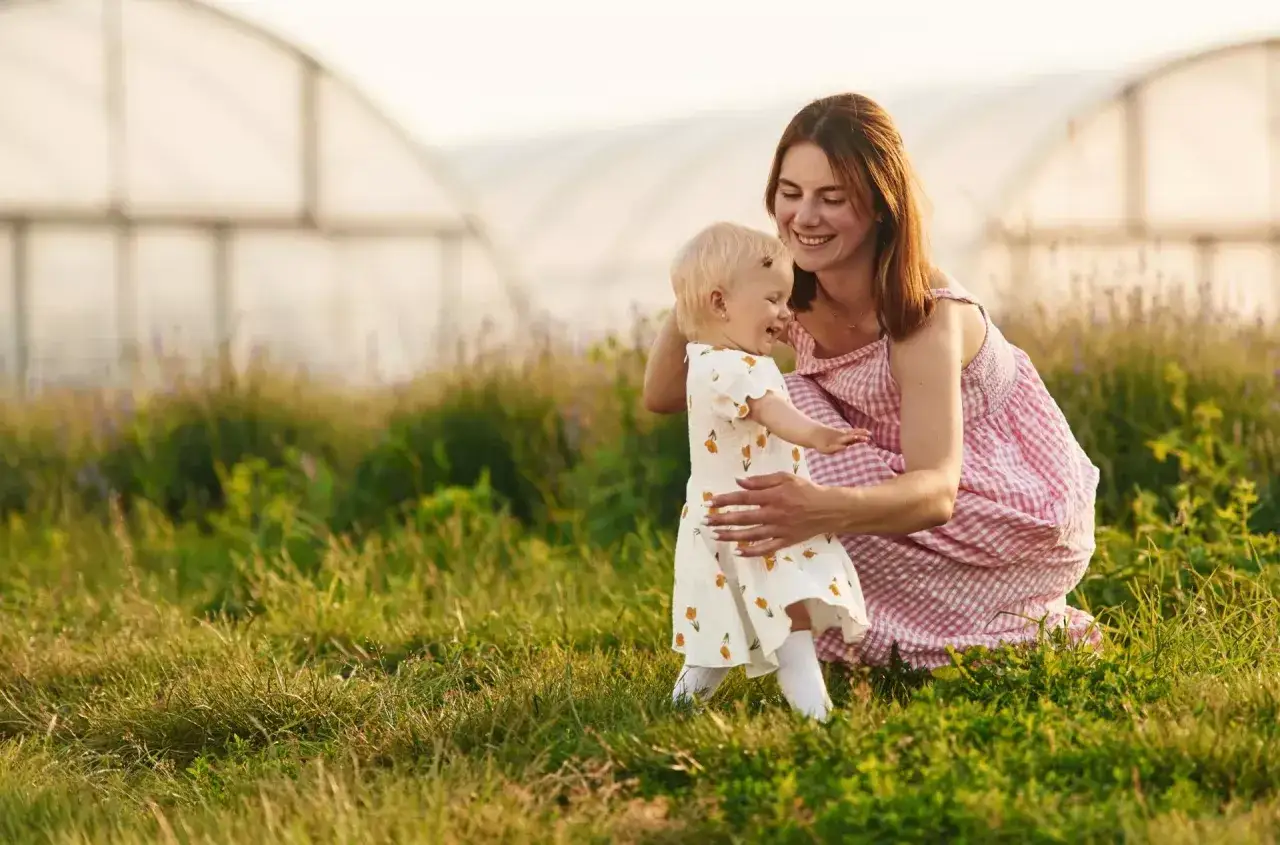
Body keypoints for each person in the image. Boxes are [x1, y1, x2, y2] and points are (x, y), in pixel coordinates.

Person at [643, 93, 1102, 672]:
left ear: (881, 206)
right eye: (790, 194)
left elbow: (936, 490)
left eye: (832, 198)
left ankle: (975, 629)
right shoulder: (785, 293)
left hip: (1002, 502)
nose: (804, 218)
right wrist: (705, 285)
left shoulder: (924, 313)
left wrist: (823, 508)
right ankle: (867, 636)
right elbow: (664, 395)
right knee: (774, 411)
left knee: (793, 413)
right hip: (875, 472)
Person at [666, 221, 872, 721]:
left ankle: (680, 706)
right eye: (774, 300)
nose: (785, 314)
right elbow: (770, 412)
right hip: (751, 521)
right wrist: (819, 434)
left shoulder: (714, 360)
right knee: (785, 618)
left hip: (739, 516)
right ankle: (816, 716)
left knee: (731, 627)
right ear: (720, 304)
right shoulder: (731, 369)